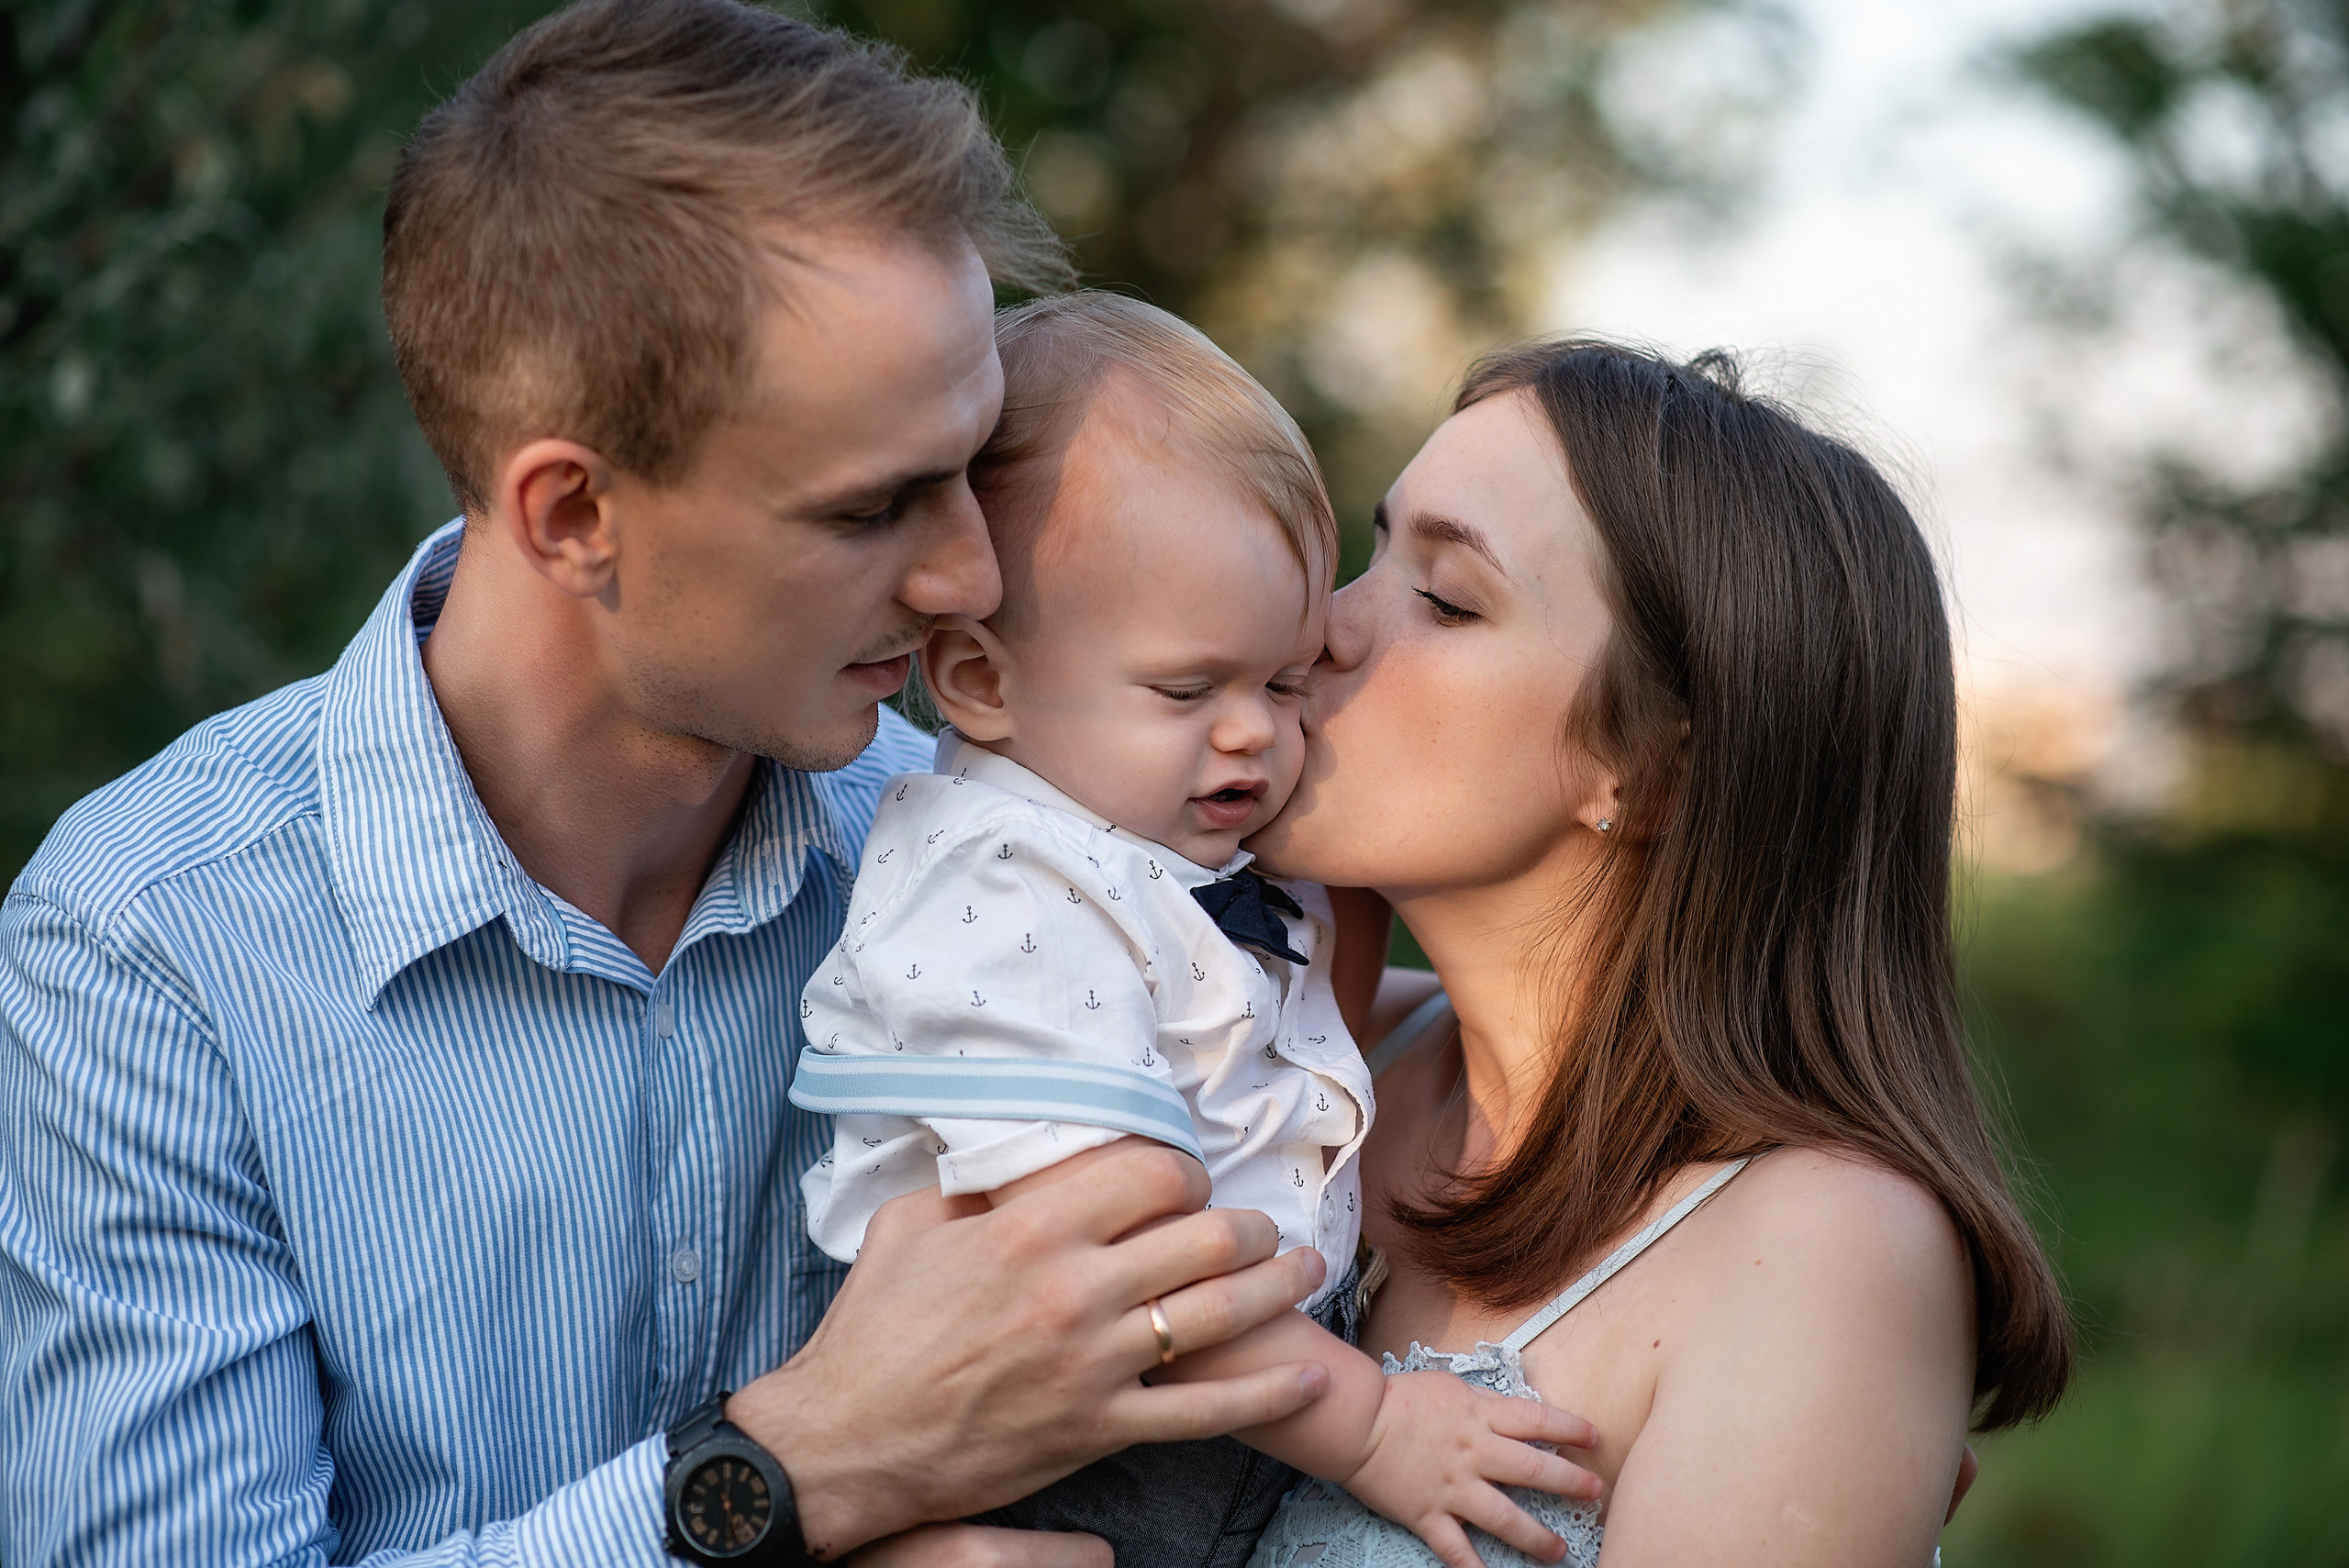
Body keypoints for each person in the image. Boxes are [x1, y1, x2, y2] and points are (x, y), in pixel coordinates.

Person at [0, 6, 1335, 1563]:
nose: (973, 573)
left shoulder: (1017, 859)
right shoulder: (149, 947)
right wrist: (786, 1480)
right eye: (875, 507)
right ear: (573, 514)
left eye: (974, 468)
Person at [792, 295, 1597, 1568]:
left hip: (1217, 1413)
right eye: (1188, 689)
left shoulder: (1148, 845)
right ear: (981, 682)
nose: (1259, 731)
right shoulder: (1004, 893)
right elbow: (1110, 1258)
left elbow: (1269, 1026)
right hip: (1068, 1461)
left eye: (1278, 681)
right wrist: (1378, 1426)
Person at [1242, 339, 2075, 1567]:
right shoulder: (1309, 1052)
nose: (1320, 626)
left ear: (1654, 768)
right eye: (1373, 552)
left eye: (1446, 596)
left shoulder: (1823, 1252)